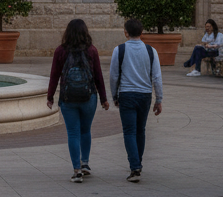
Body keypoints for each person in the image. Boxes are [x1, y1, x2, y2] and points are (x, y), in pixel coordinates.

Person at [46, 18, 109, 182]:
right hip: (89, 97)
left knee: (73, 133)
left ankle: (76, 170)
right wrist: (103, 98)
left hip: (68, 98)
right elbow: (98, 76)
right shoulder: (92, 51)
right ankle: (85, 163)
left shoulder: (60, 51)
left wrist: (50, 96)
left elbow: (54, 75)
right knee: (85, 130)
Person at [108, 18, 163, 182]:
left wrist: (114, 95)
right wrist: (159, 99)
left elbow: (113, 76)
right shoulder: (151, 51)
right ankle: (138, 162)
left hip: (127, 94)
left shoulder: (119, 50)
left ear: (125, 32)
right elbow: (157, 77)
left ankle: (135, 166)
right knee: (140, 130)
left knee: (129, 131)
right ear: (142, 32)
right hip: (144, 95)